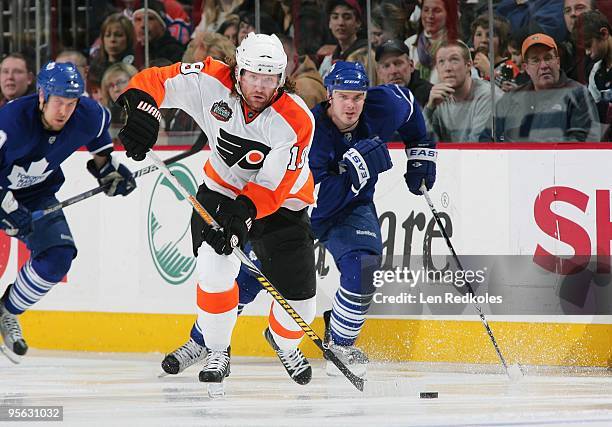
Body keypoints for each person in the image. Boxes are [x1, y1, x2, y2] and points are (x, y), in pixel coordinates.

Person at [116, 33, 317, 391]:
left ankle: (282, 343)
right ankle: (217, 351)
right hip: (221, 190)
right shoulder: (210, 79)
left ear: (281, 79)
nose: (259, 86)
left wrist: (242, 217)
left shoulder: (297, 120)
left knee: (301, 309)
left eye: (269, 78)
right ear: (237, 70)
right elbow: (155, 81)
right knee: (214, 272)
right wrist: (141, 111)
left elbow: (272, 186)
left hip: (283, 204)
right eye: (253, 75)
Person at [0, 62, 136, 362]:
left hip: (36, 195)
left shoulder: (90, 116)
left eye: (71, 103)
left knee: (58, 258)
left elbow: (102, 157)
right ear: (41, 96)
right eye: (58, 101)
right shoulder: (10, 121)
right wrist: (5, 205)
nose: (64, 110)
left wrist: (111, 174)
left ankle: (7, 311)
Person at [309, 61, 436, 377]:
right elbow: (317, 202)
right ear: (329, 95)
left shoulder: (383, 105)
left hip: (354, 207)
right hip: (301, 209)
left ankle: (341, 346)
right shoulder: (310, 130)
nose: (351, 106)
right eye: (343, 97)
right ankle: (208, 342)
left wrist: (419, 151)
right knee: (250, 274)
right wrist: (356, 170)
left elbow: (408, 107)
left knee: (362, 268)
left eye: (358, 97)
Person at [481, 33, 599, 142]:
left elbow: (585, 145)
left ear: (557, 62)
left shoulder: (578, 94)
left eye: (548, 58)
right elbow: (486, 139)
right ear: (526, 68)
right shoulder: (511, 98)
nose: (543, 66)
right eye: (536, 60)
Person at [425, 40, 501, 142]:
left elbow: (476, 149)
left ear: (468, 65)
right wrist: (429, 108)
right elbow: (422, 144)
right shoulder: (439, 98)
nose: (447, 68)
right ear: (437, 69)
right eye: (441, 61)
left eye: (454, 60)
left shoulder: (487, 95)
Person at [574, 10, 612, 140]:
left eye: (589, 45)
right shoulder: (595, 73)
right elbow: (595, 119)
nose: (587, 52)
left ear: (604, 33)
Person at [375, 39, 433, 108]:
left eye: (398, 63)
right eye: (386, 66)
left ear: (411, 66)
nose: (393, 71)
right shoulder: (375, 101)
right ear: (379, 73)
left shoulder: (429, 95)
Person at [318, 0, 367, 78]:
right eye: (335, 17)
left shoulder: (366, 57)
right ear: (329, 23)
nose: (340, 23)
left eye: (347, 17)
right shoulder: (328, 61)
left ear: (358, 22)